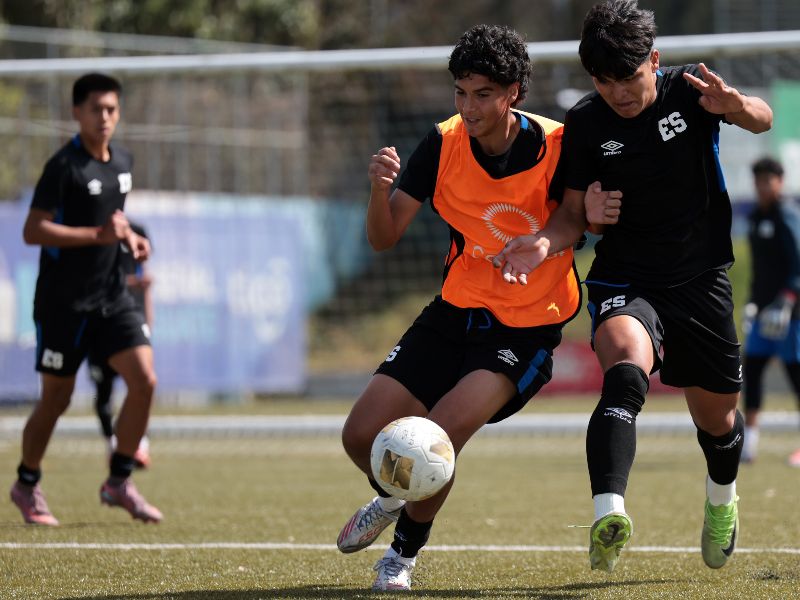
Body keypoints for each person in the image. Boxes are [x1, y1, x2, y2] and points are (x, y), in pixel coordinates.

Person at [494, 0, 772, 574]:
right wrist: (548, 240)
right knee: (624, 369)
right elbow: (572, 215)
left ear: (655, 60)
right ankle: (609, 515)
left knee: (718, 422)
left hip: (701, 278)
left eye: (630, 77)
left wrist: (737, 106)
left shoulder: (693, 91)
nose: (619, 93)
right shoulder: (586, 123)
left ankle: (722, 499)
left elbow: (763, 119)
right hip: (626, 276)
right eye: (604, 81)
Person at [335, 24, 594, 591]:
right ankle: (392, 498)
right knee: (359, 434)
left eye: (483, 94)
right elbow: (384, 237)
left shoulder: (559, 143)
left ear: (513, 93)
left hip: (526, 326)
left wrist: (543, 243)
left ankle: (401, 556)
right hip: (456, 311)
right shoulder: (442, 143)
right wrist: (379, 189)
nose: (468, 107)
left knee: (436, 440)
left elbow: (576, 218)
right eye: (460, 92)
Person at [10, 72, 162, 526]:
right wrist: (98, 235)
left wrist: (129, 238)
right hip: (64, 304)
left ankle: (119, 481)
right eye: (96, 109)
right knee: (56, 399)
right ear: (77, 112)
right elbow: (33, 230)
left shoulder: (124, 162)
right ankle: (26, 483)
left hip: (112, 297)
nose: (104, 117)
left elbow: (113, 217)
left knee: (145, 381)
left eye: (111, 109)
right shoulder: (63, 167)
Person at [740, 157, 800, 467]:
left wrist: (788, 299)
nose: (763, 186)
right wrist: (753, 303)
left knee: (796, 375)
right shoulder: (755, 217)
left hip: (791, 314)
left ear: (780, 181)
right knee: (752, 372)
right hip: (764, 313)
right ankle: (749, 445)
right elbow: (760, 270)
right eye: (759, 180)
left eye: (768, 180)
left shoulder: (787, 214)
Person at [88, 220, 154, 470]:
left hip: (129, 321)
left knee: (141, 385)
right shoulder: (94, 229)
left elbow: (143, 274)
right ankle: (112, 444)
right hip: (99, 321)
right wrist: (130, 283)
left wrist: (148, 316)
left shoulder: (137, 229)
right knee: (103, 392)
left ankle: (139, 446)